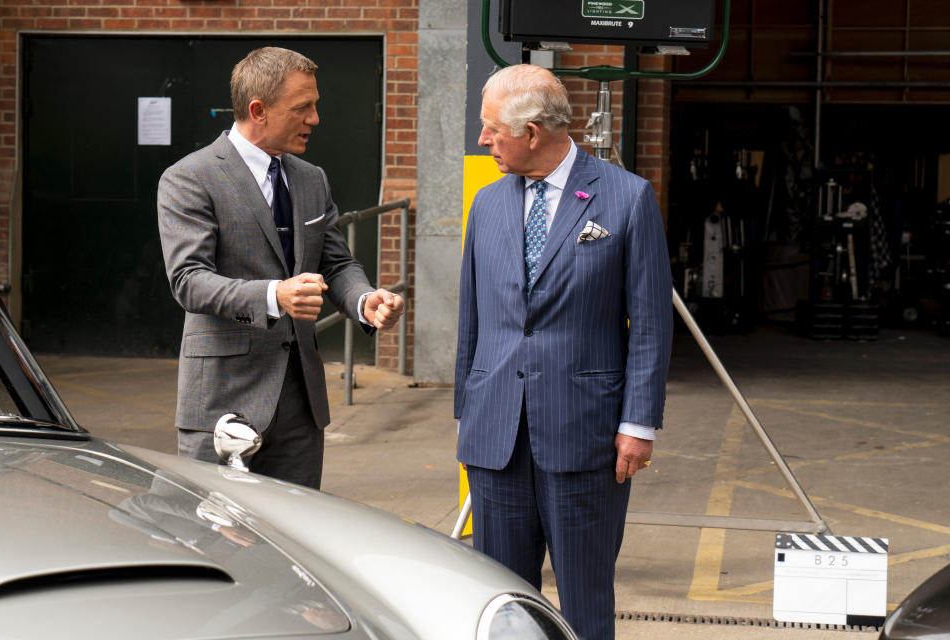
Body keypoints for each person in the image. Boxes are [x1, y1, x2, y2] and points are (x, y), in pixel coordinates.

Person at [454, 64, 672, 640]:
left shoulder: (625, 198)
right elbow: (471, 320)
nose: (483, 140)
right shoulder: (488, 205)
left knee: (584, 595)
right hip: (496, 435)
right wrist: (468, 413)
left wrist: (638, 423)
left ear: (531, 132)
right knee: (500, 597)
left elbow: (650, 323)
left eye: (491, 129)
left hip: (587, 433)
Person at [158, 47, 404, 489]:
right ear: (258, 110)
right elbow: (188, 280)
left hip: (300, 407)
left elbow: (337, 261)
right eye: (302, 107)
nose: (315, 119)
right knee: (215, 535)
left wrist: (365, 300)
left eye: (315, 105)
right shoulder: (189, 177)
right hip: (222, 402)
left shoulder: (312, 178)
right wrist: (275, 295)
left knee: (295, 537)